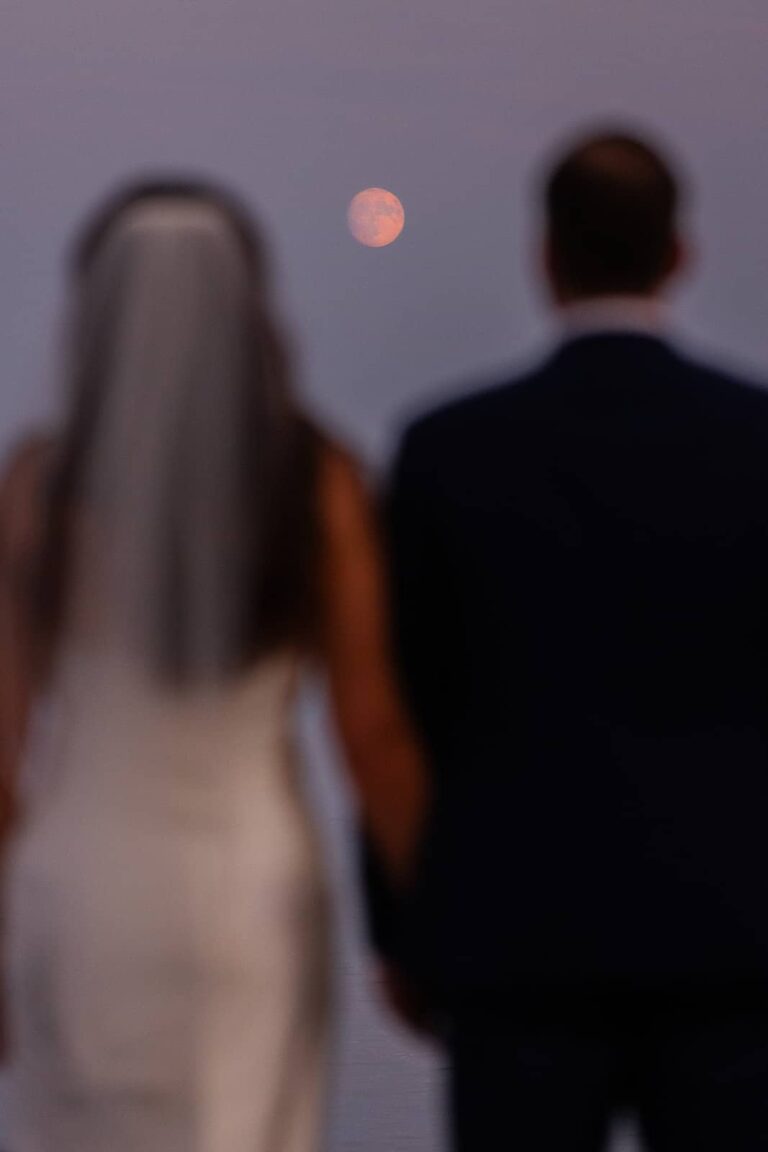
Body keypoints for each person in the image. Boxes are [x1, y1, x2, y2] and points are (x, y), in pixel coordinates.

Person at [0, 180, 427, 1152]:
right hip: (250, 894)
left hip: (84, 886)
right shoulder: (316, 482)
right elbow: (372, 732)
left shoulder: (37, 492)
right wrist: (433, 926)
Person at [373, 129, 768, 1150]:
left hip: (518, 936)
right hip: (734, 931)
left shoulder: (449, 451)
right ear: (679, 253)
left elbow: (403, 702)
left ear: (544, 256)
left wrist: (402, 925)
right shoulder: (753, 440)